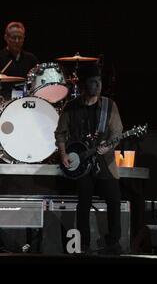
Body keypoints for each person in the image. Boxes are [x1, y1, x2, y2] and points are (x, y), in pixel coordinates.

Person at [54, 63, 123, 254]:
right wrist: (63, 154)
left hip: (104, 162)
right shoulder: (71, 107)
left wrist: (109, 146)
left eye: (99, 81)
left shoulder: (109, 106)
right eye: (93, 82)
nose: (98, 85)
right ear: (84, 85)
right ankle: (83, 244)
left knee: (114, 198)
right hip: (81, 163)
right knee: (83, 200)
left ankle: (113, 242)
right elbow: (60, 133)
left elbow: (117, 132)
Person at [0, 21, 38, 99]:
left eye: (20, 38)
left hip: (26, 100)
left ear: (24, 38)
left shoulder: (31, 59)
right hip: (3, 100)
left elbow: (37, 83)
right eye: (14, 38)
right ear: (6, 38)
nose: (17, 41)